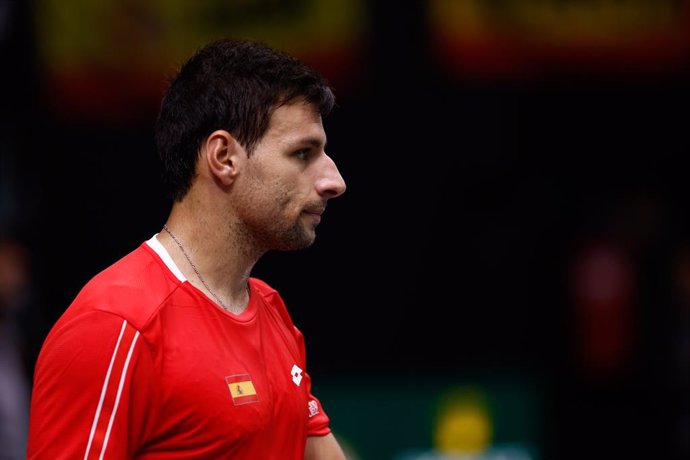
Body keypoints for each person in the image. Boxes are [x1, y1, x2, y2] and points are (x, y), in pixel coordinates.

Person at [27, 38, 347, 459]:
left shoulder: (271, 312)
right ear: (223, 156)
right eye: (302, 153)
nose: (334, 181)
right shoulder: (116, 326)